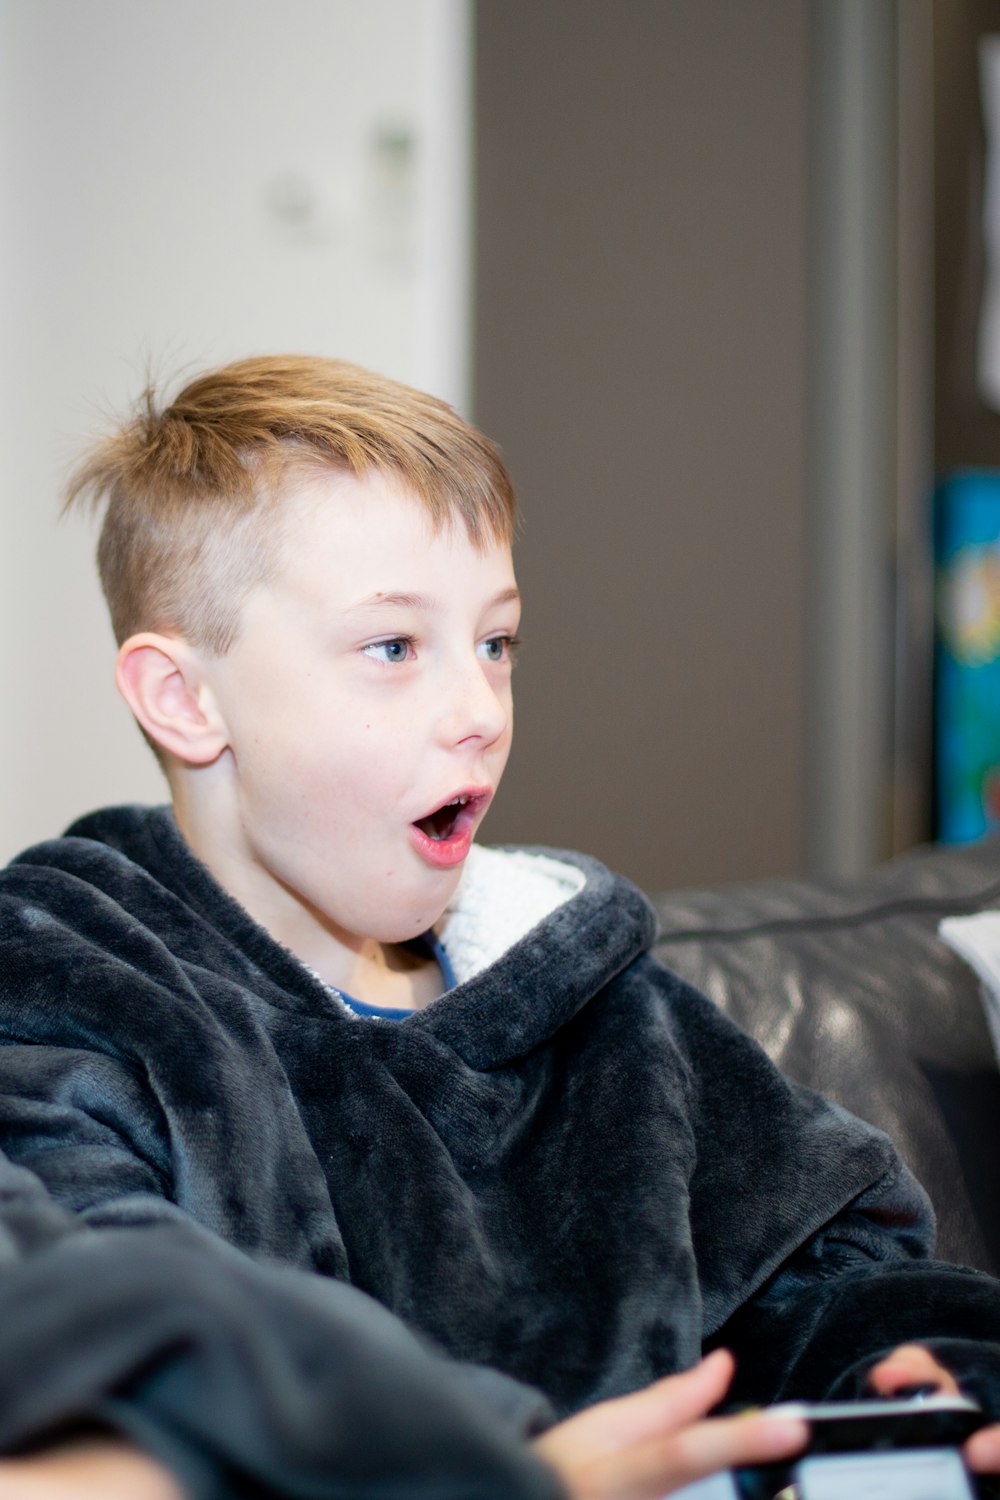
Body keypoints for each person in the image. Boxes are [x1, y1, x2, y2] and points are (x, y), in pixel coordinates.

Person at [0, 354, 999, 1500]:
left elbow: (824, 1268)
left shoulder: (588, 993)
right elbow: (117, 1336)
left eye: (496, 643)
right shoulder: (69, 993)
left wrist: (912, 1376)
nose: (479, 713)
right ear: (186, 700)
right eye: (393, 648)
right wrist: (493, 1470)